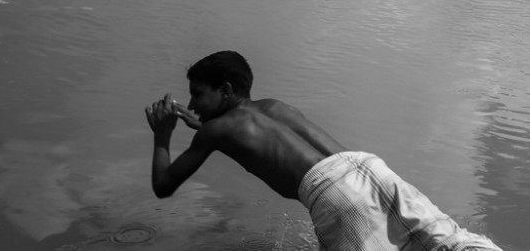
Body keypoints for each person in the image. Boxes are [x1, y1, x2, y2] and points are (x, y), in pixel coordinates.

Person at [145, 51, 503, 251]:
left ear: (224, 90)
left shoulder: (215, 130)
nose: (192, 103)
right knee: (444, 241)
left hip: (333, 193)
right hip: (369, 168)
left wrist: (163, 136)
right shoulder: (273, 106)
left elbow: (164, 185)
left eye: (197, 93)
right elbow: (244, 133)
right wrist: (205, 127)